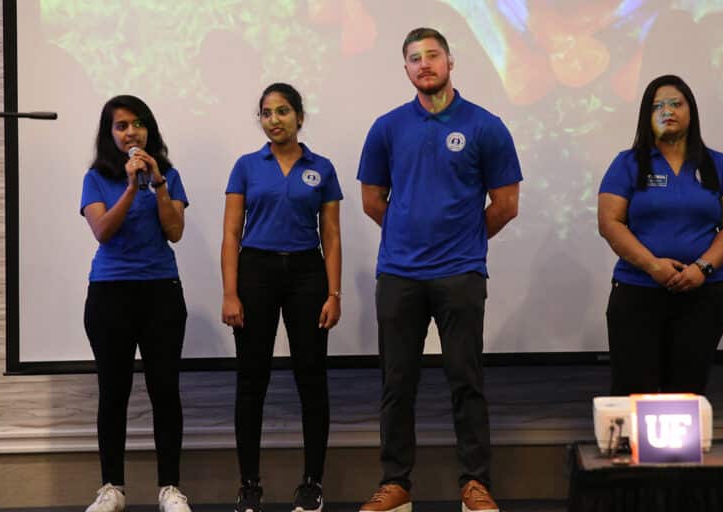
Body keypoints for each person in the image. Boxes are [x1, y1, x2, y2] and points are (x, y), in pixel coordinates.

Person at [356, 27, 521, 512]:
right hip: (400, 275)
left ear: (450, 62)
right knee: (396, 382)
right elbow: (371, 200)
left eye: (432, 56)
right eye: (414, 58)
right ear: (405, 69)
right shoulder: (387, 127)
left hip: (461, 273)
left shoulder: (485, 125)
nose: (424, 64)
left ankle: (474, 485)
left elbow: (506, 204)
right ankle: (396, 485)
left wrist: (461, 238)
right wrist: (412, 232)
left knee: (465, 380)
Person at [221, 82, 343, 512]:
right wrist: (230, 293)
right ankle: (249, 485)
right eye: (267, 113)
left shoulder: (322, 168)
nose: (274, 120)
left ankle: (312, 484)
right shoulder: (246, 166)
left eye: (283, 111)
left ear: (300, 118)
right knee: (251, 380)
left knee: (312, 379)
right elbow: (232, 233)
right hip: (256, 271)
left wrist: (334, 293)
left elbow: (330, 235)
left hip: (308, 273)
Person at [597, 75, 723, 396]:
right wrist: (653, 266)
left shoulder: (718, 166)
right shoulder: (627, 164)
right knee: (632, 392)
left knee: (687, 391)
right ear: (646, 117)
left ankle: (678, 450)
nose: (668, 111)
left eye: (676, 103)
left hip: (703, 294)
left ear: (690, 111)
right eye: (657, 106)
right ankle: (631, 449)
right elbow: (610, 222)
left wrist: (702, 268)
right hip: (638, 292)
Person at [80, 95, 192, 512]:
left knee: (165, 390)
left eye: (138, 124)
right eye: (122, 125)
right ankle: (112, 488)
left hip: (161, 291)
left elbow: (175, 231)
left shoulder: (169, 176)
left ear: (150, 129)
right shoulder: (96, 178)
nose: (132, 132)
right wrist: (130, 188)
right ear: (110, 134)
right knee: (114, 391)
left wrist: (157, 183)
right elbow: (103, 231)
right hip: (110, 293)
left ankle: (170, 488)